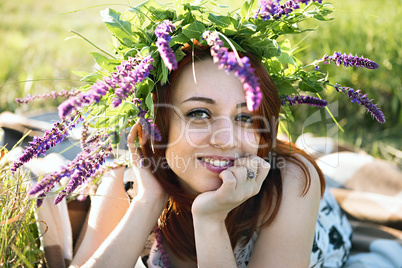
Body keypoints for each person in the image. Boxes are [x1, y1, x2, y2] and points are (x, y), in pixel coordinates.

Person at [69, 47, 352, 268]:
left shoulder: (290, 181)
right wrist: (148, 201)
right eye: (199, 114)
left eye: (245, 117)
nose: (225, 139)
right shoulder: (125, 183)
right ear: (156, 127)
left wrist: (210, 220)